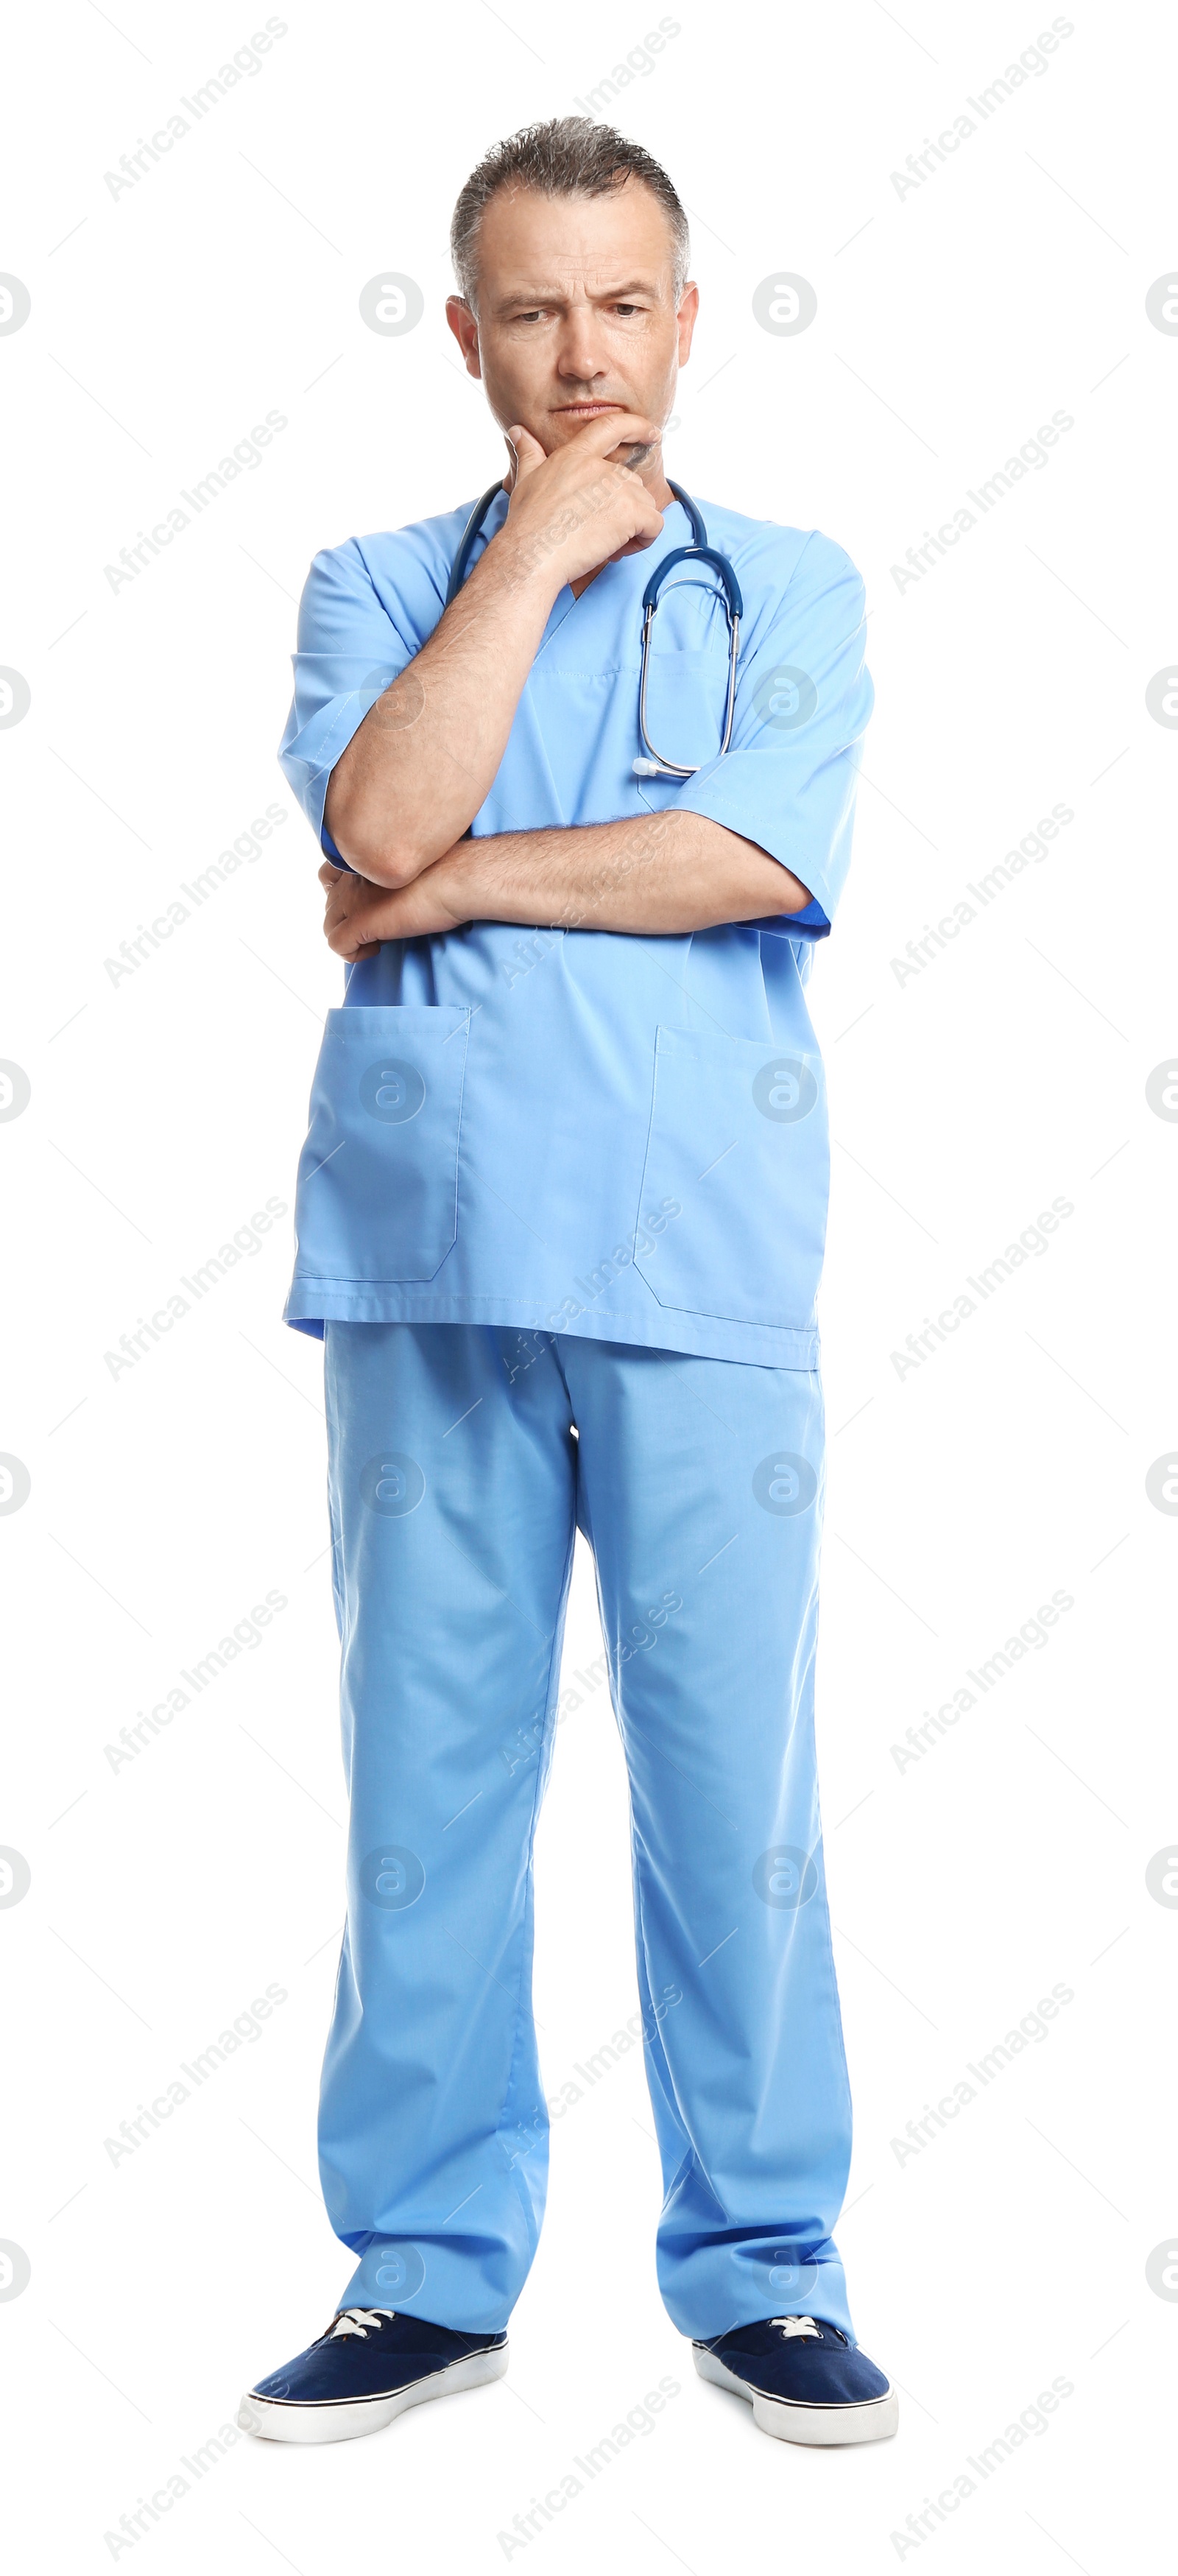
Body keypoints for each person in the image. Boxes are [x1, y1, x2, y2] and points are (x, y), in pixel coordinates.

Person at [239, 115, 895, 2452]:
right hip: (432, 1265)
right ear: (468, 335)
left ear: (690, 319)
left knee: (739, 1788)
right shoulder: (377, 580)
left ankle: (765, 2265)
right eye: (535, 309)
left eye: (627, 304)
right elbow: (377, 814)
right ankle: (425, 2266)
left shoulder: (790, 584)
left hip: (705, 1264)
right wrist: (532, 556)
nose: (585, 351)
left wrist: (428, 882)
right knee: (427, 1773)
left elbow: (740, 855)